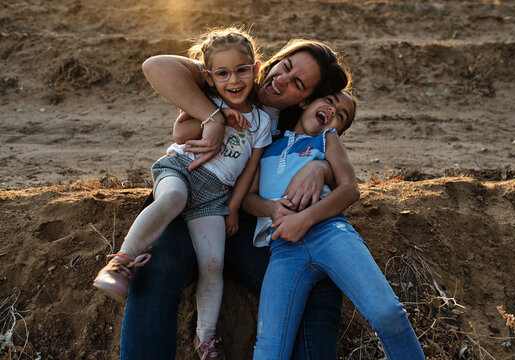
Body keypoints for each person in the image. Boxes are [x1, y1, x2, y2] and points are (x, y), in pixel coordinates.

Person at [120, 37, 351, 360]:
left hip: (244, 220)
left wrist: (322, 168)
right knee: (154, 271)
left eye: (298, 83)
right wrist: (212, 117)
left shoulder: (292, 124)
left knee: (317, 285)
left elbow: (332, 140)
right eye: (284, 66)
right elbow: (156, 66)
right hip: (189, 192)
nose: (281, 80)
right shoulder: (232, 76)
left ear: (306, 100)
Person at [93, 27, 272, 359]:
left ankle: (205, 339)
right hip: (181, 171)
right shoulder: (209, 102)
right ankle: (121, 263)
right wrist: (215, 119)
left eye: (242, 70)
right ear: (208, 76)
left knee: (214, 263)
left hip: (215, 197)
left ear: (256, 69)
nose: (233, 80)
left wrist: (233, 207)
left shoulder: (262, 121)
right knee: (172, 199)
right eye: (222, 73)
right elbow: (180, 131)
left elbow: (251, 168)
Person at [244, 91, 425, 360]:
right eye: (328, 101)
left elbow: (350, 189)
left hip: (331, 234)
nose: (332, 111)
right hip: (283, 250)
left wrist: (304, 219)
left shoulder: (327, 140)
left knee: (387, 313)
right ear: (305, 102)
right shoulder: (269, 145)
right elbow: (249, 197)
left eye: (341, 116)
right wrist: (271, 209)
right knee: (269, 347)